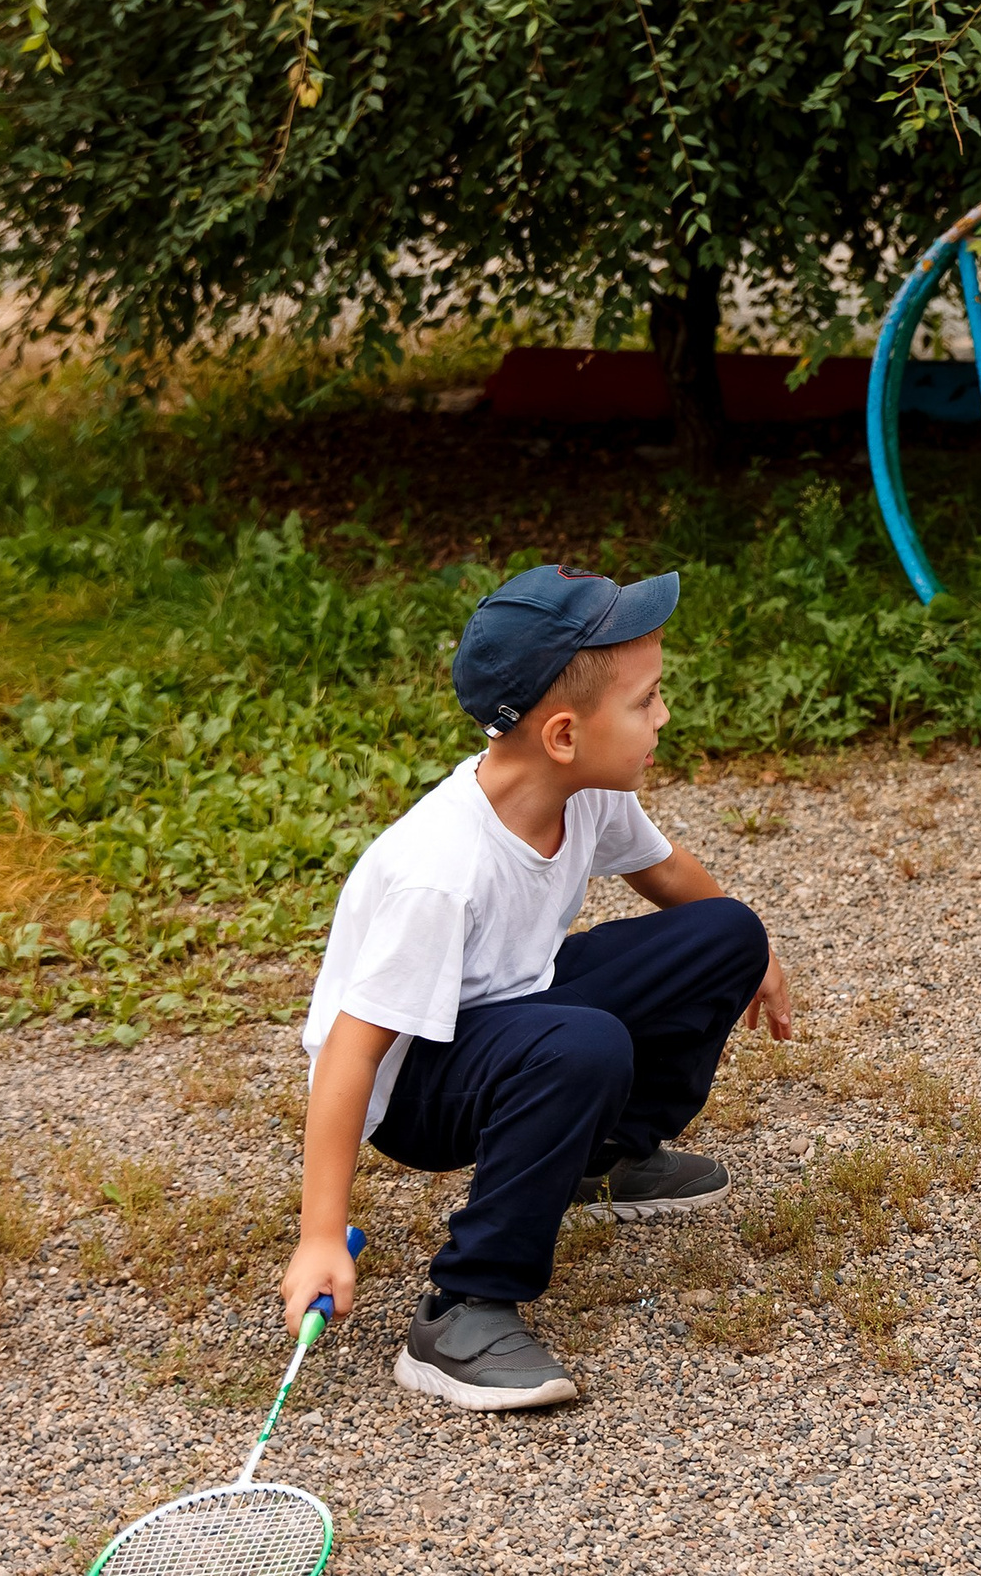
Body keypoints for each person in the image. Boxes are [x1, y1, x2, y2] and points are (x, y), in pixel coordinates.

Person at [280, 565, 790, 1411]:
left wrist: (753, 950)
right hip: (417, 1084)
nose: (663, 715)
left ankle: (604, 1160)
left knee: (729, 927)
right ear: (563, 734)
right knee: (584, 1047)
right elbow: (351, 1052)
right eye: (646, 700)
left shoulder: (584, 789)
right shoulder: (439, 871)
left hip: (519, 1010)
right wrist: (321, 1234)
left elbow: (666, 871)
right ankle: (461, 1309)